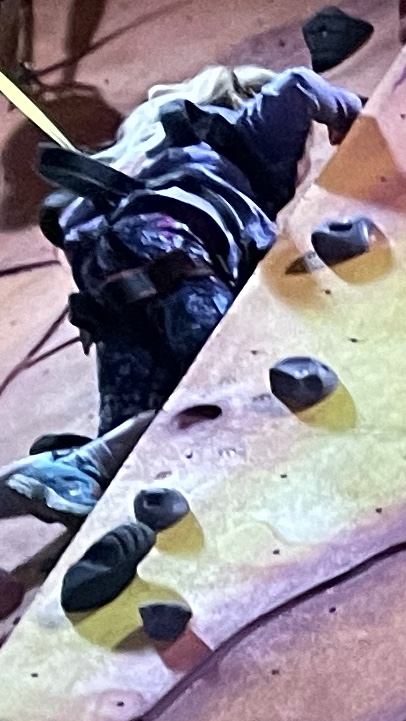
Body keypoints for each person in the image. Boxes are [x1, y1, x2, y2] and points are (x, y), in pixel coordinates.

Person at [8, 62, 363, 525]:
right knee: (226, 386)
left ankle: (64, 471)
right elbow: (299, 86)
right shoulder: (242, 127)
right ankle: (80, 466)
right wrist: (353, 115)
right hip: (171, 250)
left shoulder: (149, 156)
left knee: (138, 429)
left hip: (107, 290)